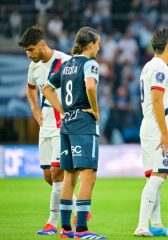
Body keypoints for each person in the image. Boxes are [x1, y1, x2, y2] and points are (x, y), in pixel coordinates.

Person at [42, 26, 106, 239]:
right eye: (97, 44)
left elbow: (46, 89)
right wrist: (95, 110)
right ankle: (82, 230)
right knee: (89, 175)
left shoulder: (67, 64)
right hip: (84, 125)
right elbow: (90, 86)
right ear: (90, 45)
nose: (98, 48)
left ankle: (66, 229)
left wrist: (63, 110)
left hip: (67, 125)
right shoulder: (90, 64)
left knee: (70, 176)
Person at [18, 26, 71, 235]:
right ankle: (76, 205)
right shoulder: (34, 66)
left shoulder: (64, 62)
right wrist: (34, 108)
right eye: (26, 52)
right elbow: (31, 88)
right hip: (45, 126)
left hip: (61, 125)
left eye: (31, 50)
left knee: (58, 173)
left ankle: (52, 222)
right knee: (48, 176)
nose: (29, 55)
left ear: (42, 45)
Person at [134, 27, 168, 236]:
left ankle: (156, 223)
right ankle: (142, 225)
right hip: (156, 129)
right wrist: (164, 133)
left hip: (149, 126)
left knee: (154, 177)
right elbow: (157, 100)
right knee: (159, 176)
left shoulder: (148, 67)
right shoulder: (160, 68)